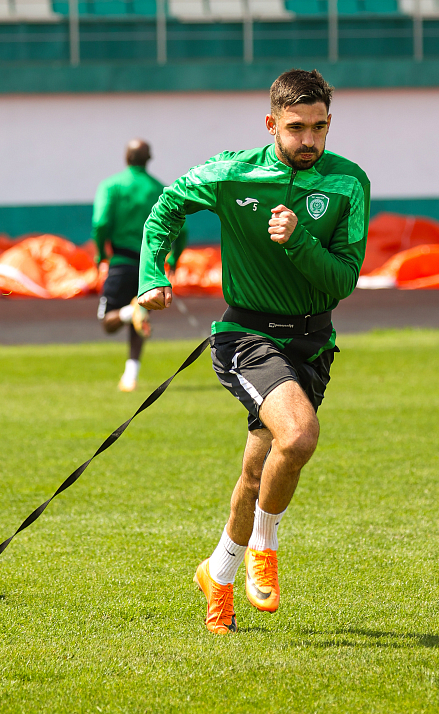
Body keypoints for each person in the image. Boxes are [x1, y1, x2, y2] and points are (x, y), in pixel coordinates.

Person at [137, 69, 370, 634]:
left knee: (255, 470)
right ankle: (264, 546)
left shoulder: (349, 183)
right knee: (300, 437)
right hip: (247, 336)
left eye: (319, 127)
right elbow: (168, 205)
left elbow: (343, 280)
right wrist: (151, 273)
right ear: (271, 124)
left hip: (312, 341)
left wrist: (299, 239)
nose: (309, 140)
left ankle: (217, 575)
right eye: (296, 127)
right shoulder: (232, 173)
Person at [93, 138, 185, 392]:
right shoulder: (161, 189)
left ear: (126, 158)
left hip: (121, 261)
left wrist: (100, 254)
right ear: (149, 159)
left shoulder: (111, 186)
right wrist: (174, 258)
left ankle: (128, 312)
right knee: (140, 317)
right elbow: (183, 228)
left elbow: (100, 223)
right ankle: (130, 375)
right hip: (150, 267)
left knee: (108, 322)